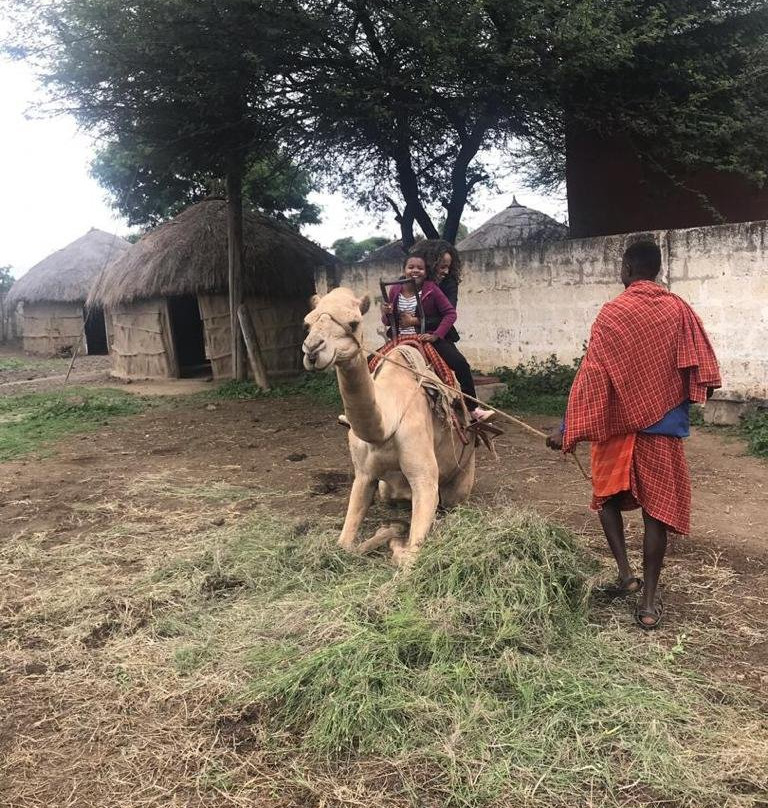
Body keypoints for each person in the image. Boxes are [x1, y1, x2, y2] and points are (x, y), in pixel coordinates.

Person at [546, 240, 721, 630]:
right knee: (655, 512)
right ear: (656, 269)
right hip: (663, 428)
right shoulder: (680, 310)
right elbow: (705, 370)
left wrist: (568, 426)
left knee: (606, 497)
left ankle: (625, 573)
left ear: (626, 269)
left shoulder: (612, 313)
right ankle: (647, 600)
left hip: (617, 427)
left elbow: (592, 374)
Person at [383, 253, 495, 422]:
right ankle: (364, 412)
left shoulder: (431, 289)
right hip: (400, 340)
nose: (415, 271)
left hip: (426, 338)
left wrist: (436, 335)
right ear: (404, 269)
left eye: (420, 268)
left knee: (460, 364)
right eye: (411, 267)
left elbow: (450, 314)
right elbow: (387, 321)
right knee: (370, 363)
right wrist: (385, 313)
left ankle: (473, 409)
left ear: (426, 271)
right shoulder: (394, 290)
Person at [409, 240, 461, 343]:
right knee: (373, 359)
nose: (446, 272)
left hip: (435, 333)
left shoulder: (449, 283)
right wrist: (387, 311)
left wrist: (416, 321)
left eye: (448, 267)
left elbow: (449, 315)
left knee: (458, 360)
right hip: (404, 334)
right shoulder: (406, 282)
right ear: (430, 265)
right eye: (442, 267)